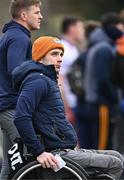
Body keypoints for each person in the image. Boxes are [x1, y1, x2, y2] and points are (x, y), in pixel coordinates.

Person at [12, 36, 124, 180]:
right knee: (115, 163)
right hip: (55, 154)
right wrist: (39, 152)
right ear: (40, 58)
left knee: (116, 156)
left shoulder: (47, 80)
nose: (59, 59)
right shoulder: (37, 81)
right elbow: (21, 117)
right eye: (54, 54)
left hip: (64, 149)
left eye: (61, 54)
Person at [0, 0, 43, 179]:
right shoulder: (19, 37)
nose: (41, 16)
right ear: (24, 16)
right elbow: (16, 71)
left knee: (11, 165)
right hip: (11, 108)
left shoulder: (13, 34)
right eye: (37, 12)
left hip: (8, 106)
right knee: (25, 163)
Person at [83, 12, 124, 150]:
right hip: (102, 104)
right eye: (120, 26)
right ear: (113, 26)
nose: (121, 30)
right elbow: (102, 79)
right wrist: (114, 98)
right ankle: (98, 172)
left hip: (98, 103)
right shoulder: (104, 48)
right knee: (102, 146)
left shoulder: (99, 44)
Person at [59, 16, 85, 125]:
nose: (83, 31)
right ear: (72, 29)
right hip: (68, 105)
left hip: (75, 103)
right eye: (81, 27)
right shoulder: (62, 49)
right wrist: (65, 108)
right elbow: (59, 79)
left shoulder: (73, 48)